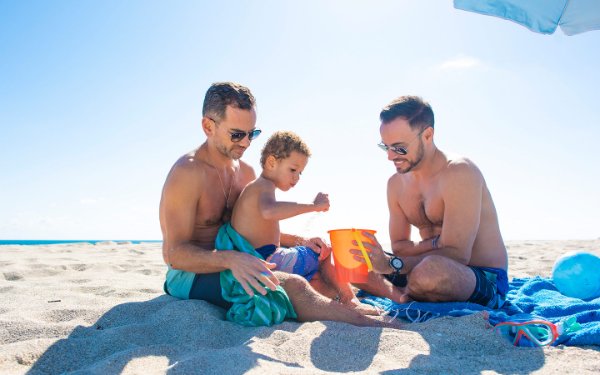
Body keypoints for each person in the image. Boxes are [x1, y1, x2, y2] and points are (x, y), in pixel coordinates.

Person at [159, 82, 393, 327]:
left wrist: (301, 241)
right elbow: (173, 255)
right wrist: (231, 259)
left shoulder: (245, 172)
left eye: (253, 133)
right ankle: (376, 325)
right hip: (191, 275)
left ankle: (379, 299)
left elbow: (255, 228)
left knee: (322, 273)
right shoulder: (188, 173)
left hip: (240, 260)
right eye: (237, 134)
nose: (247, 143)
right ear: (208, 126)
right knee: (291, 285)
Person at [351, 95, 509, 309]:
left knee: (430, 272)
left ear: (427, 135)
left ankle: (399, 293)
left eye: (399, 148)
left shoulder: (459, 172)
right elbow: (399, 247)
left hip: (481, 275)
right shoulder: (396, 185)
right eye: (385, 147)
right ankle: (404, 295)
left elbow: (458, 254)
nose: (390, 156)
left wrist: (391, 265)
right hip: (419, 267)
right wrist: (389, 259)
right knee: (351, 261)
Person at [231, 130, 377, 312]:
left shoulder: (258, 189)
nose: (297, 178)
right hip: (266, 259)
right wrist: (313, 206)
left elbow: (270, 230)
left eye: (300, 173)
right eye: (293, 170)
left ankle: (341, 299)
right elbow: (270, 212)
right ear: (271, 162)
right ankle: (350, 301)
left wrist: (303, 241)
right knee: (324, 252)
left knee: (316, 275)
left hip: (264, 259)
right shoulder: (263, 186)